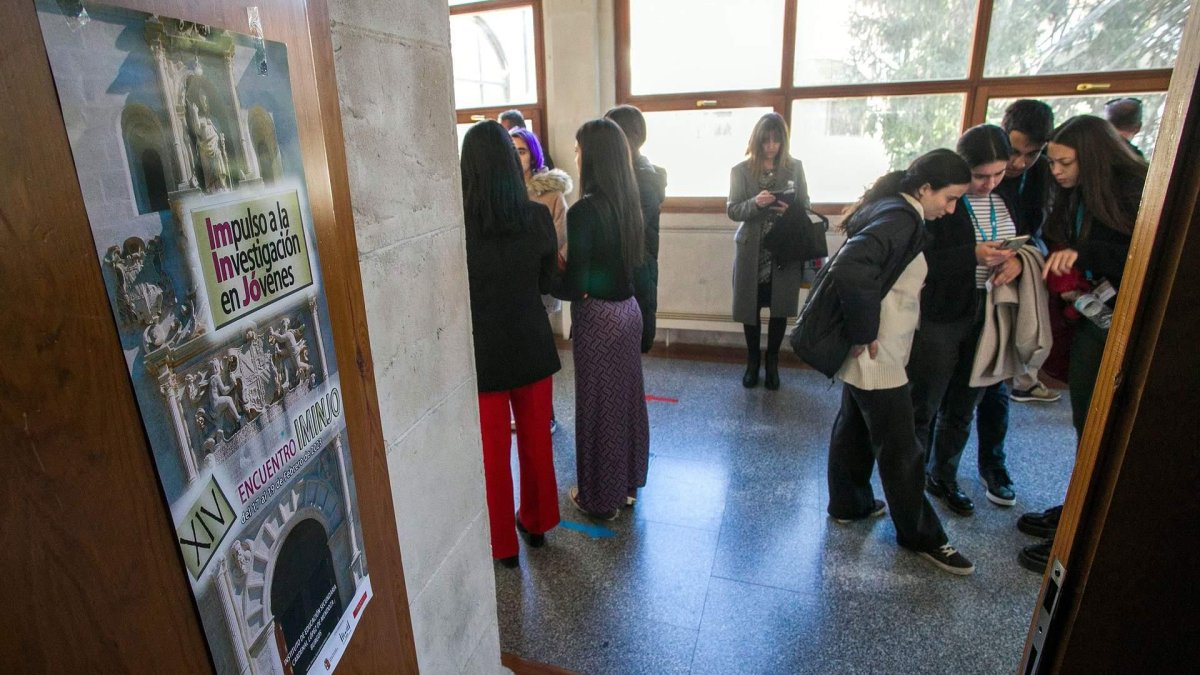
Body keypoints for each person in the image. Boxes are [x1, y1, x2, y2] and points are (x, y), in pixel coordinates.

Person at [824, 149, 974, 575]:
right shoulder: (902, 217)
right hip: (878, 351)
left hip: (876, 349)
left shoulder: (897, 210)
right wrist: (865, 330)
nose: (951, 209)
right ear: (924, 188)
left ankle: (849, 504)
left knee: (853, 426)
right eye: (949, 198)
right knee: (901, 448)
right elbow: (852, 267)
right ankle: (922, 535)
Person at [1017, 115, 1147, 572]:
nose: (1055, 171)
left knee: (1098, 423)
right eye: (1051, 163)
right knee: (1083, 419)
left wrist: (1084, 255)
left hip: (1122, 320)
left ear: (1091, 157)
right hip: (1091, 313)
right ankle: (1072, 510)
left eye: (1064, 162)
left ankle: (1081, 529)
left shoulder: (1136, 188)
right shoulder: (1074, 193)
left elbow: (1143, 251)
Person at [460, 121, 562, 568]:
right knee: (537, 441)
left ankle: (501, 545)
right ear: (508, 162)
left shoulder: (456, 230)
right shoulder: (537, 218)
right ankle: (537, 524)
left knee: (493, 454)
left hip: (482, 355)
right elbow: (549, 283)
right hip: (533, 345)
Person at [909, 125, 1023, 516]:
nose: (989, 183)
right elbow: (919, 263)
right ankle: (910, 484)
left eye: (999, 174)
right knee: (925, 401)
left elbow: (1033, 239)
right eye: (980, 175)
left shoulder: (1006, 200)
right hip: (943, 311)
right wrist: (972, 255)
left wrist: (1019, 260)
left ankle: (944, 475)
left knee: (965, 402)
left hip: (989, 311)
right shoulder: (943, 201)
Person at [556, 118, 650, 519]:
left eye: (578, 151)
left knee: (598, 409)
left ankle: (598, 498)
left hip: (599, 321)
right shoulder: (629, 203)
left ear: (591, 157)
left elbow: (578, 284)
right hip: (629, 313)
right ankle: (625, 487)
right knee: (625, 403)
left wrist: (554, 268)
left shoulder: (583, 212)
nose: (576, 157)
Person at [727, 112, 810, 390]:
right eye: (766, 140)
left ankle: (772, 362)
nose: (771, 146)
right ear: (757, 141)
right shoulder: (740, 170)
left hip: (784, 249)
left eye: (776, 140)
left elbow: (806, 205)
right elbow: (733, 209)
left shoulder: (795, 167)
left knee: (780, 309)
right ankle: (753, 361)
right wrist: (755, 203)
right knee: (750, 308)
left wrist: (791, 209)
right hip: (752, 249)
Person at [994, 99, 1062, 402]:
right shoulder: (983, 164)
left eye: (1031, 155)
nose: (1019, 163)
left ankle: (1024, 378)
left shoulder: (1048, 173)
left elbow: (1044, 230)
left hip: (1023, 258)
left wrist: (1024, 258)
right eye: (1014, 152)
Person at [511, 126, 572, 434]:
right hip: (512, 284)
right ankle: (522, 413)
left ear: (533, 155)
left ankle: (545, 414)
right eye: (511, 149)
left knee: (539, 351)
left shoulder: (550, 193)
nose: (515, 155)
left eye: (521, 150)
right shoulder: (505, 188)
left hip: (541, 279)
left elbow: (561, 238)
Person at [605, 104, 668, 353]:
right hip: (627, 274)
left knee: (627, 350)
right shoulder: (626, 175)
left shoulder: (644, 179)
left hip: (635, 274)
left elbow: (625, 226)